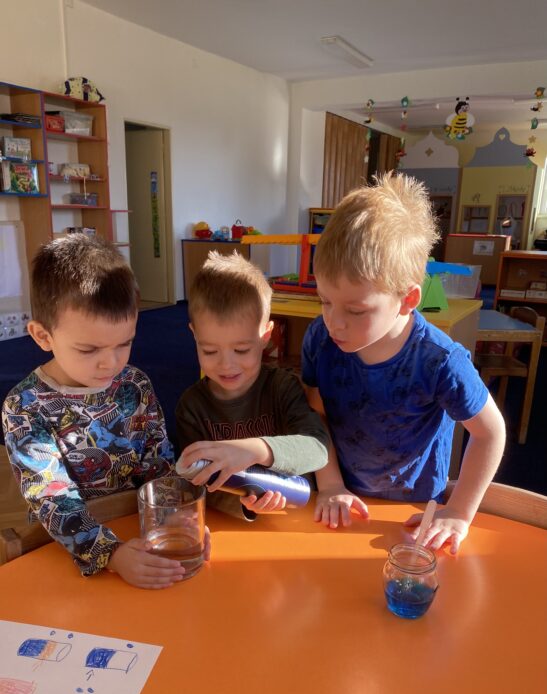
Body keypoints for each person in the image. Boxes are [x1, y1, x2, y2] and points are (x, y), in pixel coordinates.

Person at [302, 172, 506, 554]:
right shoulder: (319, 339)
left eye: (355, 310)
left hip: (414, 514)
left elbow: (490, 433)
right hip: (341, 498)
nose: (333, 322)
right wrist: (329, 484)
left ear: (408, 300)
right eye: (324, 301)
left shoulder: (439, 361)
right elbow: (316, 414)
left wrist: (459, 513)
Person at [2, 234, 208, 588]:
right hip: (70, 547)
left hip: (139, 529)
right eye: (88, 349)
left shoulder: (135, 385)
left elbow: (157, 464)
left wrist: (175, 517)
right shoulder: (25, 406)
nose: (110, 363)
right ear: (42, 336)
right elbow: (52, 499)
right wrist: (110, 553)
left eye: (124, 343)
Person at [175, 251, 329, 519]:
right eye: (209, 350)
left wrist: (256, 450)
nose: (226, 364)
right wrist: (246, 503)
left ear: (266, 336)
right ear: (194, 335)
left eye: (241, 350)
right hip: (238, 523)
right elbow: (196, 482)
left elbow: (317, 449)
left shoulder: (282, 388)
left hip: (300, 515)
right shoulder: (191, 407)